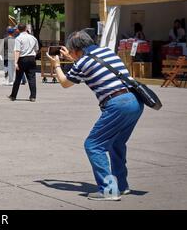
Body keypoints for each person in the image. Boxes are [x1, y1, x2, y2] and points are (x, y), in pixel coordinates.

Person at [47, 30, 144, 201]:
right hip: (135, 101)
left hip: (117, 104)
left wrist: (56, 64)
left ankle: (108, 190)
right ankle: (121, 186)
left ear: (76, 50)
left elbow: (65, 83)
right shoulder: (106, 51)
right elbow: (91, 65)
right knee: (116, 143)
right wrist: (74, 59)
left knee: (93, 145)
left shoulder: (82, 62)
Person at [8, 23, 39, 102]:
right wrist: (33, 55)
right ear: (26, 28)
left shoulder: (18, 38)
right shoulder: (33, 38)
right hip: (32, 58)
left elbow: (17, 51)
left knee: (18, 78)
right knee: (32, 78)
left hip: (22, 59)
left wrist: (15, 62)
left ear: (18, 30)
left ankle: (13, 96)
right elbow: (37, 49)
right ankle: (33, 96)